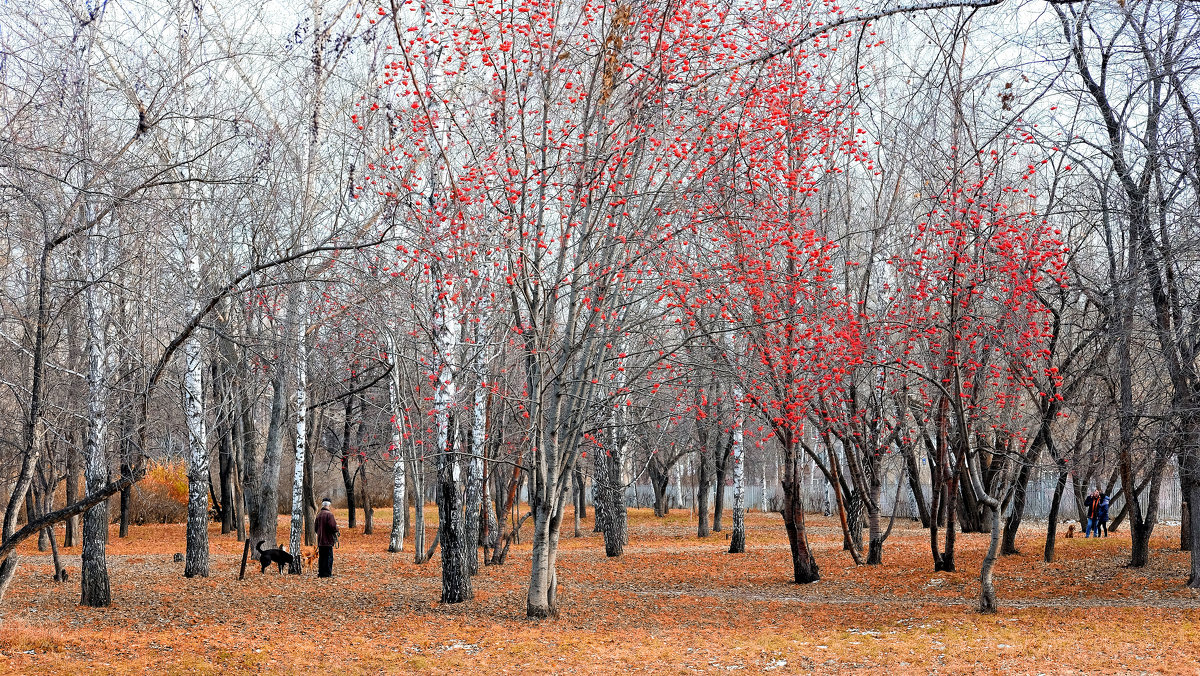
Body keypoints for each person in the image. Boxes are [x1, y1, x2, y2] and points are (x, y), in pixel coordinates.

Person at [315, 498, 339, 578]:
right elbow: (333, 527)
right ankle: (327, 573)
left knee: (321, 557)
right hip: (328, 540)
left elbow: (315, 528)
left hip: (320, 541)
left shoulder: (318, 515)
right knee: (329, 557)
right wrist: (337, 529)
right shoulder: (330, 515)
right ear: (329, 505)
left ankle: (321, 573)